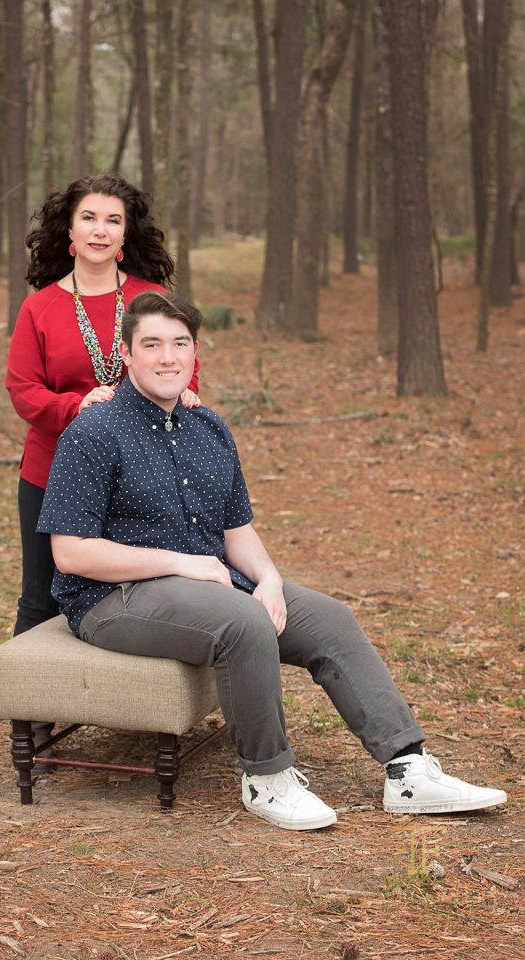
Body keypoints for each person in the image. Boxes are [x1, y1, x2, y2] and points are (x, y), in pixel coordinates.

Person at [36, 291, 507, 831]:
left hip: (210, 586)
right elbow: (71, 553)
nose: (167, 357)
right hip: (112, 600)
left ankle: (407, 770)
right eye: (152, 345)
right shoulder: (93, 432)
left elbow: (237, 530)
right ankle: (268, 778)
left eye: (180, 344)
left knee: (329, 619)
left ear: (194, 353)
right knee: (242, 620)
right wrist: (184, 564)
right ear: (126, 353)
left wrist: (270, 579)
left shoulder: (208, 428)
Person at [6, 173, 200, 641]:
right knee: (42, 596)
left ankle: (122, 697)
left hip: (140, 471)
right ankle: (31, 711)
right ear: (69, 232)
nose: (100, 229)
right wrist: (76, 407)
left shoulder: (151, 298)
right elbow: (22, 388)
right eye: (88, 218)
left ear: (125, 234)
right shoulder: (39, 308)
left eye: (113, 220)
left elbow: (182, 366)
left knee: (137, 589)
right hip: (51, 472)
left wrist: (186, 393)